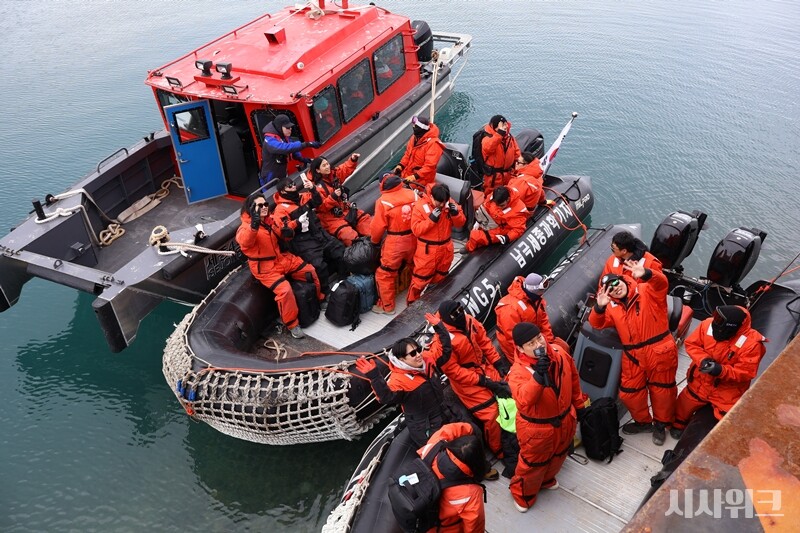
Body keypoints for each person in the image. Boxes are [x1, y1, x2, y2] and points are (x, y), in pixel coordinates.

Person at [588, 263, 679, 446]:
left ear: (622, 280)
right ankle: (643, 423)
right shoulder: (612, 308)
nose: (616, 288)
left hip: (658, 350)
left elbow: (661, 284)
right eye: (610, 289)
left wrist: (646, 273)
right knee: (629, 393)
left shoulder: (646, 290)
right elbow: (597, 323)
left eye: (616, 283)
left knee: (662, 391)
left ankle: (660, 425)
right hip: (633, 356)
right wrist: (598, 308)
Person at [507, 322, 586, 512]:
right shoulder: (517, 373)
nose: (538, 345)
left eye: (539, 339)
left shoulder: (559, 353)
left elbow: (573, 378)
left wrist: (580, 404)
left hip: (565, 419)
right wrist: (538, 378)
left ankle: (547, 479)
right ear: (520, 348)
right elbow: (525, 399)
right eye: (531, 344)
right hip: (537, 429)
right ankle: (522, 495)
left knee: (559, 454)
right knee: (532, 464)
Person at [355, 314, 453, 447]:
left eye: (418, 350)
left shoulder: (427, 359)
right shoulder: (399, 380)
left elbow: (445, 352)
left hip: (442, 411)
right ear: (401, 359)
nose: (418, 355)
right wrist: (374, 376)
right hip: (425, 425)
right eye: (412, 354)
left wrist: (439, 327)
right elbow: (387, 398)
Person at [427, 300, 511, 457]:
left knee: (510, 391)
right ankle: (498, 450)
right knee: (492, 414)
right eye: (455, 313)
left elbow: (484, 342)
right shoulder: (442, 343)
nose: (459, 314)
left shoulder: (469, 321)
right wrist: (483, 381)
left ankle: (515, 434)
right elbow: (454, 371)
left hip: (484, 367)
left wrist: (498, 362)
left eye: (461, 310)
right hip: (466, 382)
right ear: (447, 318)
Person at [671, 305, 766, 439]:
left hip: (727, 390)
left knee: (726, 422)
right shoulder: (707, 324)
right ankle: (678, 425)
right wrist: (703, 360)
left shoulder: (752, 344)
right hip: (701, 381)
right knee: (684, 404)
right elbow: (692, 344)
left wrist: (721, 370)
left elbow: (746, 372)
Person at [235, 196, 323, 339]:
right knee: (285, 290)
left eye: (265, 204)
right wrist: (254, 226)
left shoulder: (270, 220)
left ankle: (318, 298)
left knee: (309, 271)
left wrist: (296, 223)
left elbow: (283, 229)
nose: (264, 207)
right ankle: (292, 325)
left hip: (281, 258)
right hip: (265, 268)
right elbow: (245, 241)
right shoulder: (245, 228)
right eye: (259, 205)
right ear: (251, 209)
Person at [271, 177, 346, 295]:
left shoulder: (302, 197)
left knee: (340, 250)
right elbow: (284, 232)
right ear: (283, 191)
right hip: (303, 241)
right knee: (319, 265)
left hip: (318, 232)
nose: (293, 186)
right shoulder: (280, 210)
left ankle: (343, 280)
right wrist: (297, 222)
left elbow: (318, 202)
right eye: (290, 185)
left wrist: (313, 190)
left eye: (293, 183)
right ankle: (326, 293)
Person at [417, 422, 488, 533]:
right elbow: (474, 526)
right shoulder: (470, 493)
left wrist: (470, 428)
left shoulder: (433, 446)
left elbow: (448, 429)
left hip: (423, 521)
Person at [408, 183, 466, 304]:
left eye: (443, 202)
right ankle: (411, 304)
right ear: (432, 197)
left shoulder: (450, 204)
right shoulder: (420, 207)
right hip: (427, 251)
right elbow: (416, 230)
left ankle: (432, 301)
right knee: (420, 281)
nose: (441, 205)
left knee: (441, 276)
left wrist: (456, 214)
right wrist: (431, 220)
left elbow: (460, 223)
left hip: (445, 249)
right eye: (438, 202)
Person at [495, 273, 570, 363]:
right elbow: (513, 338)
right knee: (544, 365)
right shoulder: (509, 308)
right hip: (522, 345)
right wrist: (532, 353)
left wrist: (549, 341)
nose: (543, 292)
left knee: (563, 347)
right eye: (541, 289)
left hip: (535, 336)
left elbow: (543, 320)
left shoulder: (536, 299)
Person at [370, 174, 417, 314]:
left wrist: (374, 242)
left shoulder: (383, 201)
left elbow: (377, 227)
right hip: (415, 238)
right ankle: (419, 297)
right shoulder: (413, 194)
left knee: (385, 274)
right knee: (416, 267)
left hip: (396, 242)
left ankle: (387, 307)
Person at [309, 154, 372, 246]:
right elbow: (321, 208)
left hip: (344, 208)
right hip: (330, 217)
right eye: (324, 165)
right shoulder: (315, 188)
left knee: (367, 223)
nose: (327, 167)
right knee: (349, 236)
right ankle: (362, 251)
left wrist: (352, 160)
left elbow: (344, 169)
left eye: (327, 164)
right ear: (318, 170)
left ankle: (377, 241)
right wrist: (333, 197)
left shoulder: (333, 175)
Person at [259, 114, 320, 188]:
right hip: (270, 176)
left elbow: (292, 148)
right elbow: (284, 148)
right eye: (287, 127)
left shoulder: (284, 136)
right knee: (270, 191)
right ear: (279, 127)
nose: (290, 129)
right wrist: (306, 144)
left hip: (282, 171)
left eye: (290, 127)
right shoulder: (269, 140)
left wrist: (302, 159)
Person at [463, 186, 528, 253]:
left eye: (502, 205)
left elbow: (519, 229)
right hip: (491, 221)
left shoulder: (518, 210)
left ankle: (468, 249)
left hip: (503, 229)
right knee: (472, 228)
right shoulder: (494, 197)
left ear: (508, 199)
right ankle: (471, 246)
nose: (499, 207)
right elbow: (485, 206)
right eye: (497, 205)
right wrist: (478, 221)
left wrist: (507, 237)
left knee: (475, 235)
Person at [393, 116, 446, 189]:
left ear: (421, 129)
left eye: (415, 126)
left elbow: (429, 167)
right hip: (408, 173)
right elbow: (408, 154)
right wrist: (401, 165)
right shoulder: (414, 138)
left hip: (422, 179)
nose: (413, 127)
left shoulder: (434, 144)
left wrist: (415, 176)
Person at [480, 115, 521, 196]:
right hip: (494, 177)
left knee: (508, 194)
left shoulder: (509, 138)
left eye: (505, 124)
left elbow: (517, 153)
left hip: (509, 173)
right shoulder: (487, 138)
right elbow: (489, 148)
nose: (505, 127)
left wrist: (520, 167)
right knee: (491, 195)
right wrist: (500, 134)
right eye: (502, 125)